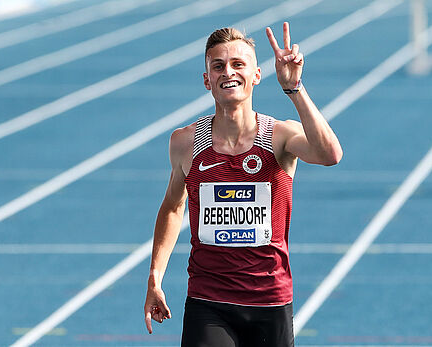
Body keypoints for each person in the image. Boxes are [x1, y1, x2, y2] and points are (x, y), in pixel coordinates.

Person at [144, 22, 342, 346]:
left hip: (270, 301)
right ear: (207, 79)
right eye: (218, 66)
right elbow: (172, 207)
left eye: (238, 64)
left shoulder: (279, 136)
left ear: (256, 75)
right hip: (208, 300)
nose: (228, 72)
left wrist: (295, 89)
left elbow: (330, 154)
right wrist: (155, 277)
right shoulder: (185, 142)